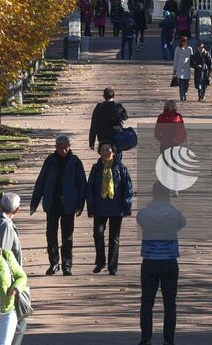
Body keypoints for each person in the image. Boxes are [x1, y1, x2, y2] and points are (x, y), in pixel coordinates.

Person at [136, 182, 186, 345]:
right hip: (169, 260)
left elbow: (140, 221)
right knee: (169, 303)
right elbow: (182, 223)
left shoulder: (144, 213)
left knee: (147, 302)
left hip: (150, 260)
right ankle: (168, 340)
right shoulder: (174, 214)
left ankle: (146, 339)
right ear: (167, 195)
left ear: (153, 194)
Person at [29, 135, 85, 275]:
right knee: (51, 234)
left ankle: (67, 264)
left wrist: (80, 204)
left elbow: (82, 185)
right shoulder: (50, 161)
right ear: (56, 147)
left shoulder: (75, 162)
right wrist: (34, 203)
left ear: (69, 146)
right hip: (52, 203)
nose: (63, 150)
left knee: (67, 236)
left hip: (68, 204)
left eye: (65, 147)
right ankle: (54, 263)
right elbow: (41, 182)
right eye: (60, 147)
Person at [86, 142, 134, 274]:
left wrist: (127, 206)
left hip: (116, 207)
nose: (105, 152)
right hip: (100, 207)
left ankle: (112, 267)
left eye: (108, 149)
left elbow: (128, 189)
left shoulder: (121, 168)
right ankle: (100, 261)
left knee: (114, 237)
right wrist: (90, 207)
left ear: (113, 151)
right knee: (98, 234)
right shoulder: (96, 169)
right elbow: (90, 189)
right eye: (102, 150)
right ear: (99, 152)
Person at [88, 87, 129, 152]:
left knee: (105, 156)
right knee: (117, 156)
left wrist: (91, 142)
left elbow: (94, 126)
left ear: (104, 96)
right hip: (116, 137)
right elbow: (125, 117)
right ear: (113, 96)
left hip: (103, 138)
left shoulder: (99, 108)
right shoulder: (118, 107)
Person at [171, 34, 193, 101]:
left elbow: (192, 58)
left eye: (185, 41)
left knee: (186, 84)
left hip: (187, 68)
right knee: (181, 83)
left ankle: (185, 93)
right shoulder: (177, 49)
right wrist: (174, 69)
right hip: (180, 68)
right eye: (183, 41)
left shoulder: (190, 49)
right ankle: (182, 96)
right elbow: (175, 59)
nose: (184, 43)